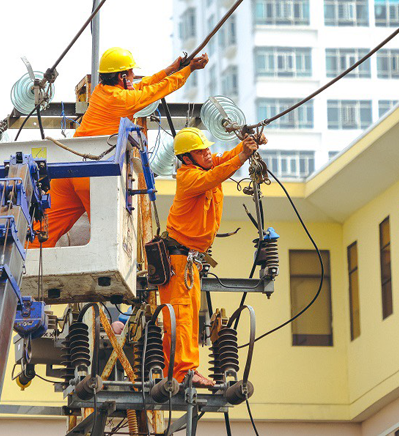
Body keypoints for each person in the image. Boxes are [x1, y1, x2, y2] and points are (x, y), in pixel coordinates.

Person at [36, 47, 209, 247]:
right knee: (105, 235)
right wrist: (188, 71)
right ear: (121, 77)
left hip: (69, 169)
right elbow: (158, 90)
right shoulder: (122, 100)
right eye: (131, 72)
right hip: (92, 173)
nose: (134, 76)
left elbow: (144, 85)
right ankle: (104, 273)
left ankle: (26, 264)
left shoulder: (102, 91)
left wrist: (172, 68)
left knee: (48, 225)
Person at [159, 127, 265, 388]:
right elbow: (219, 173)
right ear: (186, 159)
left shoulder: (204, 167)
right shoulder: (189, 178)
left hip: (189, 260)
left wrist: (246, 146)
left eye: (207, 148)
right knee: (181, 316)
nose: (208, 153)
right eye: (201, 151)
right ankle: (182, 372)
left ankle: (183, 370)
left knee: (189, 316)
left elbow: (222, 159)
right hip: (178, 259)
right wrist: (242, 157)